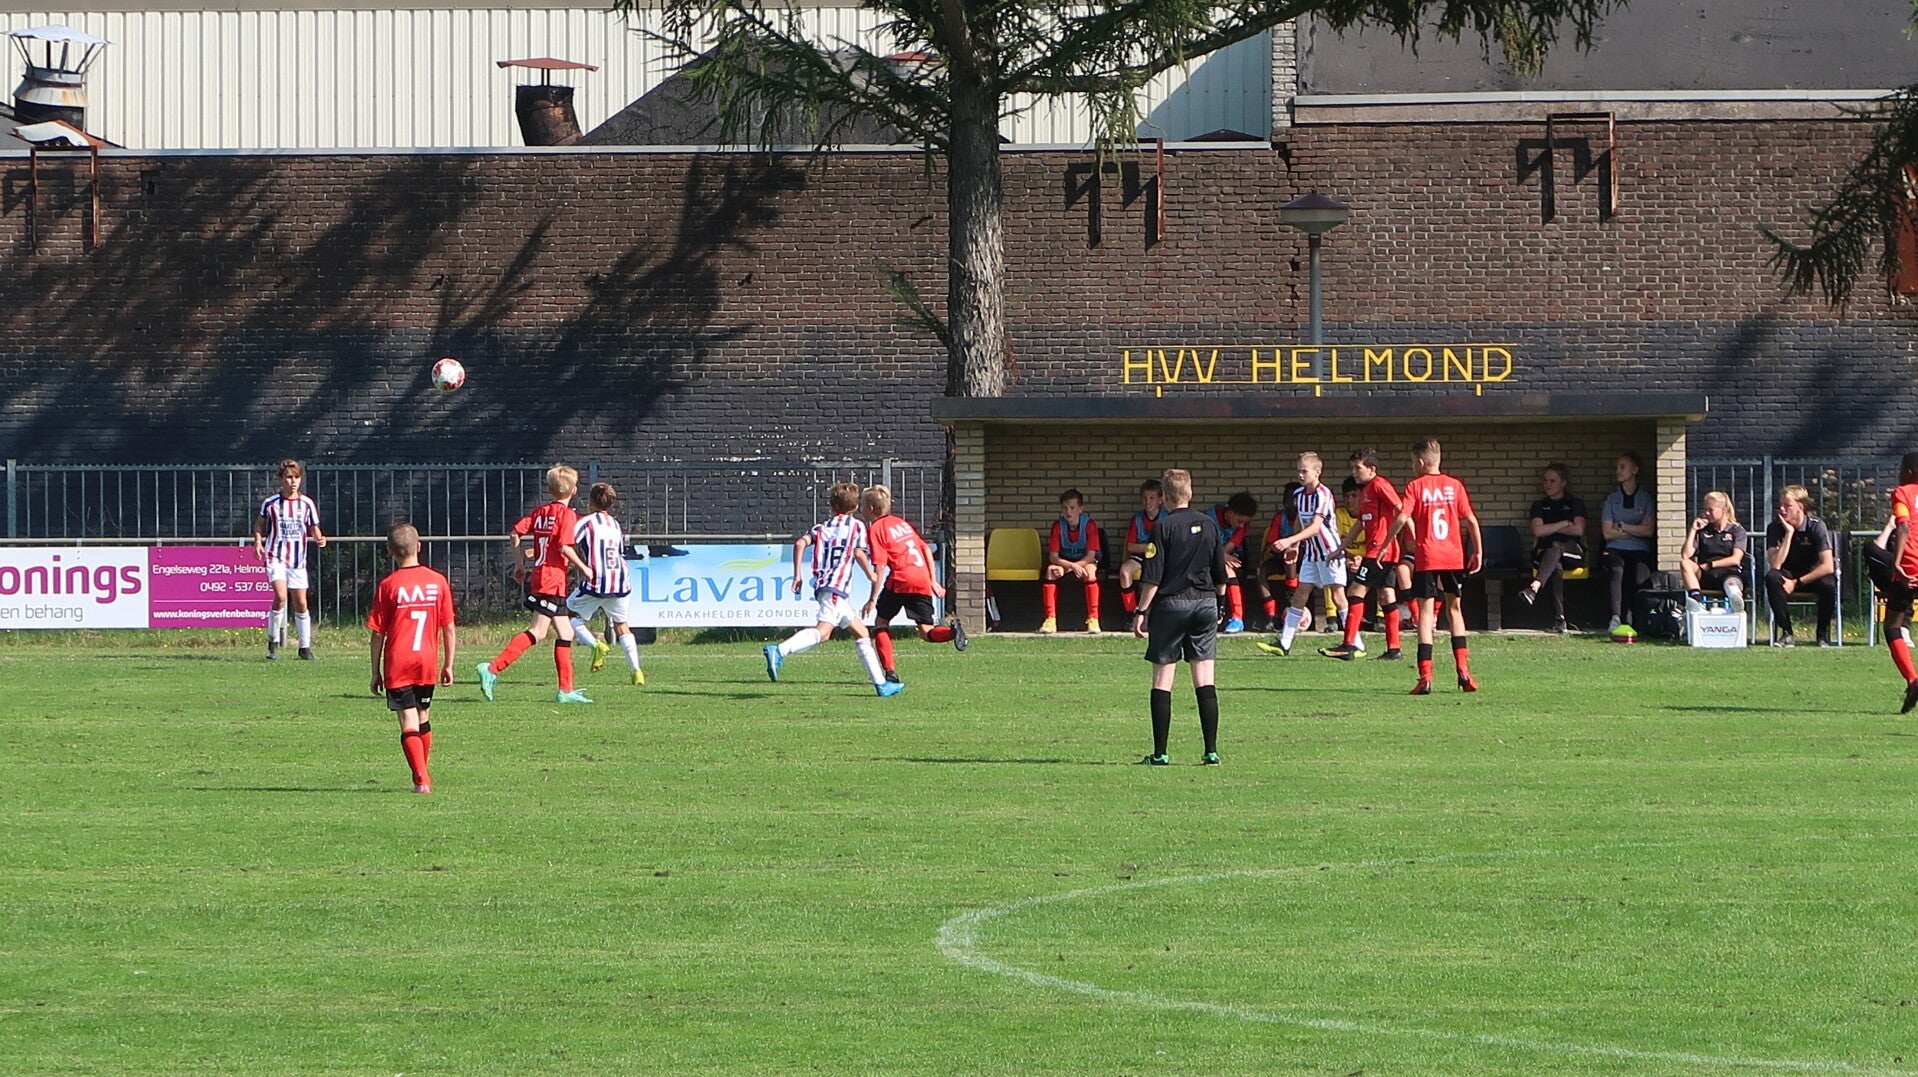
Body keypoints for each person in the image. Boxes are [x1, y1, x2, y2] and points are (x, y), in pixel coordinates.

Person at [763, 481, 903, 697]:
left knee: (862, 633)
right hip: (836, 588)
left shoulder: (821, 527)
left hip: (825, 586)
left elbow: (799, 544)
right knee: (823, 631)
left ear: (831, 506)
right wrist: (870, 574)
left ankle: (882, 685)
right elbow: (858, 553)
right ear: (855, 507)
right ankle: (779, 650)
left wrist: (798, 575)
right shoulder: (856, 526)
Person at [1131, 468, 1227, 766]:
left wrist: (1141, 611)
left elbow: (1153, 576)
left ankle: (1160, 753)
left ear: (1165, 497)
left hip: (1171, 606)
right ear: (1190, 492)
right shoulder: (1209, 525)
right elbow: (1221, 573)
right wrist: (1221, 606)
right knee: (1205, 679)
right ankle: (1211, 751)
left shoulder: (1162, 527)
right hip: (1205, 604)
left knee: (1163, 679)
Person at [476, 464, 594, 704]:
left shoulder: (541, 512)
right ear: (574, 490)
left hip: (546, 577)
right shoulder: (567, 515)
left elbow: (514, 534)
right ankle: (492, 668)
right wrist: (584, 568)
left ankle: (566, 690)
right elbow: (564, 547)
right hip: (552, 578)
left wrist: (520, 565)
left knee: (566, 632)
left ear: (550, 490)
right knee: (538, 631)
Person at [365, 523, 456, 795]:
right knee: (423, 715)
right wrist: (449, 664)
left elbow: (378, 633)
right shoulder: (438, 581)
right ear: (419, 546)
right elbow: (449, 627)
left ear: (390, 551)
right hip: (427, 659)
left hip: (399, 661)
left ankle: (421, 778)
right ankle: (423, 772)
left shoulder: (389, 585)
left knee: (408, 718)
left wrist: (375, 671)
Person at [1386, 439, 1482, 694]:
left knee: (1426, 614)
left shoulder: (1415, 486)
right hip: (1453, 556)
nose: (1412, 467)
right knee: (1455, 610)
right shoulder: (1455, 485)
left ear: (1420, 462)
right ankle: (1463, 671)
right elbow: (1471, 520)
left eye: (1412, 462)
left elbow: (1402, 517)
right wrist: (1478, 551)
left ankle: (1425, 677)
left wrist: (1386, 543)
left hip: (1428, 557)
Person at [860, 484, 965, 682]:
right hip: (921, 578)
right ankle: (952, 632)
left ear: (871, 509)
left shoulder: (875, 529)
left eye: (862, 505)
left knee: (881, 623)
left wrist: (872, 599)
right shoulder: (902, 523)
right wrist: (932, 580)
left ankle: (890, 672)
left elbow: (880, 566)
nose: (860, 509)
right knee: (926, 631)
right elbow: (925, 549)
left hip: (901, 578)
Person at [1323, 448, 1406, 661]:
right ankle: (1394, 649)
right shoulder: (1366, 490)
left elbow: (1401, 512)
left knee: (1355, 592)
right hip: (1379, 551)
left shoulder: (1380, 485)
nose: (1354, 472)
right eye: (1352, 468)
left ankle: (1349, 645)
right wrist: (1340, 549)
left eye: (1358, 468)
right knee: (1386, 596)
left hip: (1380, 551)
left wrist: (1388, 542)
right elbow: (1361, 522)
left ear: (1372, 468)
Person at [1257, 455, 1344, 657]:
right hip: (1311, 554)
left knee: (1338, 596)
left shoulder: (1323, 494)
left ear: (1317, 472)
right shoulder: (1298, 494)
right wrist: (1295, 545)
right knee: (1299, 595)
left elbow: (1315, 527)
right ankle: (1284, 643)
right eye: (1298, 470)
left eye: (1304, 471)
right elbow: (1300, 521)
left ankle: (1353, 642)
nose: (1300, 475)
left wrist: (1288, 540)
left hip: (1329, 552)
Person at [564, 482, 646, 686]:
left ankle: (596, 645)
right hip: (620, 579)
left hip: (597, 579)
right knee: (622, 626)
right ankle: (637, 671)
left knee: (567, 615)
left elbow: (566, 543)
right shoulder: (615, 524)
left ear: (590, 501)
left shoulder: (586, 522)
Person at [253, 458, 328, 660]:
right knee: (280, 597)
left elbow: (314, 528)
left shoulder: (307, 504)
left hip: (297, 561)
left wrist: (319, 538)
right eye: (288, 477)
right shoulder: (271, 503)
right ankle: (273, 643)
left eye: (296, 477)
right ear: (281, 479)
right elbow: (259, 525)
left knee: (301, 603)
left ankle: (304, 647)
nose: (293, 482)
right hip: (275, 557)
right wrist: (258, 542)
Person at [1868, 452, 1918, 712]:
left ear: (1909, 472)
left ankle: (1912, 680)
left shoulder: (1902, 493)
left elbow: (1904, 527)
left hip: (1910, 567)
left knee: (1892, 626)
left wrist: (1897, 562)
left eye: (1901, 469)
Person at [1763, 484, 1838, 647]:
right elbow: (1775, 564)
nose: (1782, 509)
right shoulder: (1774, 527)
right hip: (1787, 574)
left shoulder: (1816, 526)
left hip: (1811, 576)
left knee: (1828, 583)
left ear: (1801, 507)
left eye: (1787, 505)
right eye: (1780, 505)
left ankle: (1822, 634)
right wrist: (1789, 534)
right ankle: (1786, 633)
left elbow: (1828, 565)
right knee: (1772, 577)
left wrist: (1797, 583)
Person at [1519, 463, 1587, 633]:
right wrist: (1563, 524)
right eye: (1545, 481)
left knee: (1555, 545)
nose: (1547, 484)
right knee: (1555, 562)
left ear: (1563, 483)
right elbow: (1537, 531)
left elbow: (1579, 530)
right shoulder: (1539, 505)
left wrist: (1549, 528)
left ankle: (1535, 586)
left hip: (1572, 553)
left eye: (1552, 481)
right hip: (1545, 555)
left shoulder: (1575, 503)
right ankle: (1560, 619)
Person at [1600, 451, 1657, 632]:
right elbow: (1607, 533)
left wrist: (1621, 526)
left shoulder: (1645, 498)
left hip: (1640, 550)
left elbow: (1648, 531)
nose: (1618, 471)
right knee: (1616, 569)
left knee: (1640, 577)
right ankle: (1615, 618)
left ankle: (1640, 621)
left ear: (1635, 470)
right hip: (1615, 548)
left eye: (1622, 467)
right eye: (1617, 467)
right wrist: (1635, 530)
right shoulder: (1612, 499)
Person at [1041, 488, 1103, 634]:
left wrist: (1070, 568)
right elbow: (1053, 557)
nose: (1068, 512)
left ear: (1081, 509)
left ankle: (1093, 619)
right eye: (1065, 508)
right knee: (1051, 571)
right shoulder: (1058, 525)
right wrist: (1071, 566)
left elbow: (1091, 556)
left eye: (1072, 508)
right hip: (1065, 561)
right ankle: (1050, 619)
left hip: (1085, 561)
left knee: (1090, 572)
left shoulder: (1089, 525)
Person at [1679, 490, 1748, 606]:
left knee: (1732, 583)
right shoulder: (1703, 530)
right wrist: (1693, 529)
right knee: (1685, 563)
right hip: (1706, 575)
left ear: (1724, 509)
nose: (1707, 513)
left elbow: (1736, 559)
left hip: (1729, 572)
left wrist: (1710, 565)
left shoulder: (1737, 530)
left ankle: (1736, 602)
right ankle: (1697, 601)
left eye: (1710, 510)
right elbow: (1686, 555)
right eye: (1705, 509)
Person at [1203, 491, 1258, 633]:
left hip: (1232, 556)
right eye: (1239, 521)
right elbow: (1204, 544)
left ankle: (1237, 618)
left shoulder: (1243, 526)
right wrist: (1220, 556)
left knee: (1227, 568)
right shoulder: (1209, 517)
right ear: (1231, 513)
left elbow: (1228, 548)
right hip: (1209, 555)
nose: (1241, 525)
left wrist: (1222, 556)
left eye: (1245, 522)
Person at [1256, 481, 1303, 632]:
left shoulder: (1305, 517)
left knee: (1291, 554)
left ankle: (1291, 595)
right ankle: (1271, 615)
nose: (1288, 502)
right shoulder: (1279, 517)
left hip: (1303, 560)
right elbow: (1271, 543)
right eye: (1286, 498)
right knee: (1260, 572)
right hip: (1280, 558)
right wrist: (1266, 555)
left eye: (1292, 498)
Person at [1117, 479, 1165, 616]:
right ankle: (1131, 612)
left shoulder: (1167, 518)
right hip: (1140, 557)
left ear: (1160, 500)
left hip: (1161, 559)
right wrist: (1151, 548)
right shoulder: (1137, 519)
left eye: (1152, 498)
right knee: (1125, 571)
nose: (1147, 502)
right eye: (1144, 498)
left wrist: (1152, 549)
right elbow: (1131, 547)